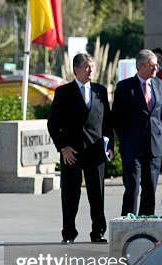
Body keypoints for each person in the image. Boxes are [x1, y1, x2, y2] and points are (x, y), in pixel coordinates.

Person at [47, 53, 114, 244]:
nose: (90, 70)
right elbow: (53, 124)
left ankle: (98, 232)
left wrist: (110, 147)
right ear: (76, 69)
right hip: (72, 153)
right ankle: (69, 233)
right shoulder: (63, 92)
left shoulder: (100, 91)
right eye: (86, 66)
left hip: (95, 152)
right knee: (70, 195)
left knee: (97, 194)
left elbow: (107, 123)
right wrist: (63, 148)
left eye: (92, 66)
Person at [113, 49, 162, 216]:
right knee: (133, 188)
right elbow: (116, 118)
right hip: (132, 147)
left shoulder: (161, 85)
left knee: (150, 189)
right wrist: (126, 139)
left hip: (154, 147)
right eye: (153, 64)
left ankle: (147, 225)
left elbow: (159, 115)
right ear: (141, 66)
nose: (156, 67)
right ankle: (128, 225)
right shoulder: (124, 87)